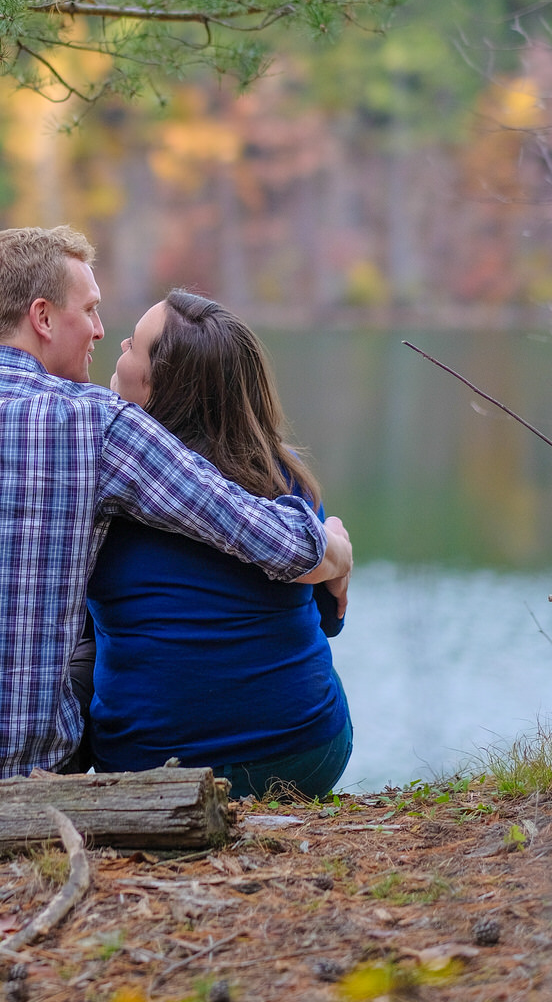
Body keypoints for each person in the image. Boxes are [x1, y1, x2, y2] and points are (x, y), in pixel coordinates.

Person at [0, 228, 352, 786]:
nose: (102, 331)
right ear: (43, 318)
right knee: (85, 647)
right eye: (92, 311)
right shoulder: (96, 423)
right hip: (17, 773)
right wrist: (333, 546)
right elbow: (267, 536)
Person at [86, 289, 353, 798]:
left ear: (160, 385)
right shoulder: (284, 479)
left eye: (133, 346)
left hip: (149, 769)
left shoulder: (104, 488)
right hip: (304, 753)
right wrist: (332, 538)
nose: (118, 343)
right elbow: (328, 620)